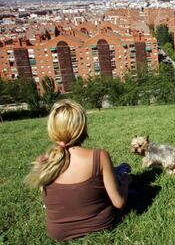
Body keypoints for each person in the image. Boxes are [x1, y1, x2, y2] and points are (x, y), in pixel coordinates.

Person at [25, 99, 131, 241]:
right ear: (82, 127)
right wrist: (125, 183)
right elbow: (119, 203)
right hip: (101, 225)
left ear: (53, 129)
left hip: (58, 234)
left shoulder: (45, 162)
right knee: (123, 170)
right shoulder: (99, 156)